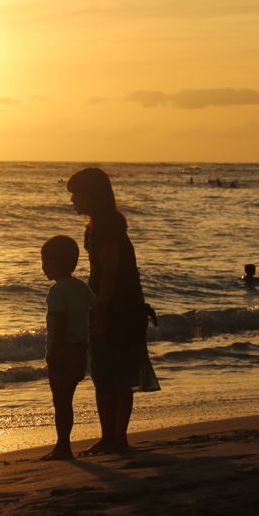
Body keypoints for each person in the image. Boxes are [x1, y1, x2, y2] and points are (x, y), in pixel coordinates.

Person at [67, 167, 160, 455]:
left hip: (117, 310)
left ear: (90, 196)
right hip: (125, 308)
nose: (72, 201)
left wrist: (102, 312)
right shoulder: (102, 225)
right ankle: (116, 438)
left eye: (76, 195)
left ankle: (112, 438)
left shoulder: (105, 229)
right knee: (118, 376)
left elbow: (109, 274)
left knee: (108, 375)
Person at [40, 235, 96, 461]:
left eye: (44, 262)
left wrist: (53, 353)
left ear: (53, 264)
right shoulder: (80, 287)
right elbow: (97, 308)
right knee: (67, 401)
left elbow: (59, 322)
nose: (43, 267)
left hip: (63, 352)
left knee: (61, 403)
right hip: (81, 351)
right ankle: (63, 445)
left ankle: (63, 446)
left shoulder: (57, 291)